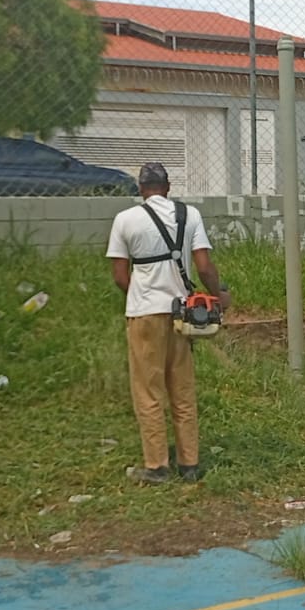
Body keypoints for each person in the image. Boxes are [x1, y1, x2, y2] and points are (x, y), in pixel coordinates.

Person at [106, 162, 230, 484]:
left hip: (144, 314)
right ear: (169, 186)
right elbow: (204, 267)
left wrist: (140, 295)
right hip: (182, 315)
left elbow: (120, 275)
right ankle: (189, 464)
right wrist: (221, 294)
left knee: (148, 391)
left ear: (140, 189)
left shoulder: (125, 220)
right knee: (183, 389)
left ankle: (157, 466)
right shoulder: (190, 215)